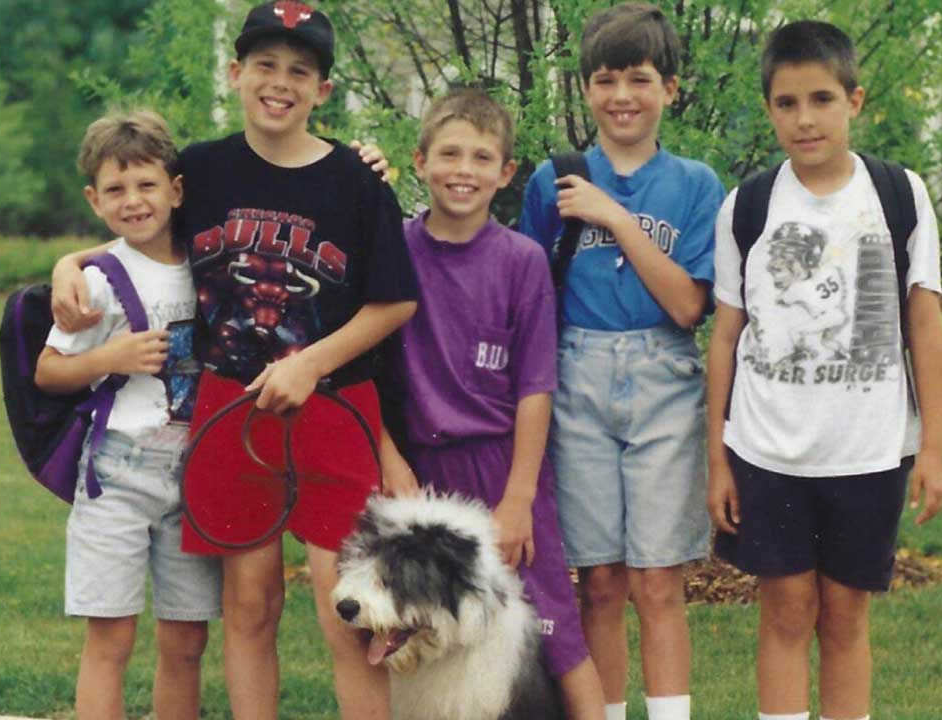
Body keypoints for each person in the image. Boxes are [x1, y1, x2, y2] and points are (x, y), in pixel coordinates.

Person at [49, 3, 418, 719]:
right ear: (236, 73)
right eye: (265, 66)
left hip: (335, 408)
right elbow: (143, 230)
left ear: (323, 91)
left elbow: (395, 301)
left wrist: (311, 363)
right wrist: (72, 259)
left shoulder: (357, 180)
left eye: (299, 71)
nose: (280, 83)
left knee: (348, 608)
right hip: (231, 407)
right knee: (249, 605)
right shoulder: (205, 169)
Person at [705, 20, 942, 720]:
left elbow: (924, 326)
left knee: (844, 618)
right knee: (785, 612)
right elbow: (726, 338)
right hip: (768, 448)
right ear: (770, 109)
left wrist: (933, 446)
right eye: (786, 103)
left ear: (855, 101)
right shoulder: (747, 205)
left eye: (821, 99)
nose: (805, 118)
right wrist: (718, 458)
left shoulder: (899, 195)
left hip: (869, 450)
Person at [518, 5, 726, 720]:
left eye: (639, 79)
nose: (622, 97)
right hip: (576, 375)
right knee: (600, 579)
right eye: (605, 80)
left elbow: (687, 307)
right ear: (585, 91)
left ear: (669, 87)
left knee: (658, 579)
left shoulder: (697, 184)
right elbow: (531, 297)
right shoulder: (553, 182)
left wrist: (615, 218)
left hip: (664, 378)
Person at [377, 87, 606, 720]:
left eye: (481, 158)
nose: (463, 170)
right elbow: (360, 369)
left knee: (553, 631)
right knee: (423, 629)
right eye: (448, 154)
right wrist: (389, 458)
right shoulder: (394, 251)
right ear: (420, 161)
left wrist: (518, 499)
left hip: (503, 468)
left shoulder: (521, 261)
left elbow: (536, 387)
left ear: (505, 173)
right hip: (420, 474)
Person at [36, 109, 222, 720]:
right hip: (118, 471)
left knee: (187, 638)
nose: (133, 201)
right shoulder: (98, 279)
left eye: (146, 185)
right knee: (111, 637)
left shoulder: (206, 261)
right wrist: (110, 356)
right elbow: (48, 370)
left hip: (194, 473)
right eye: (115, 189)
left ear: (175, 188)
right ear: (94, 200)